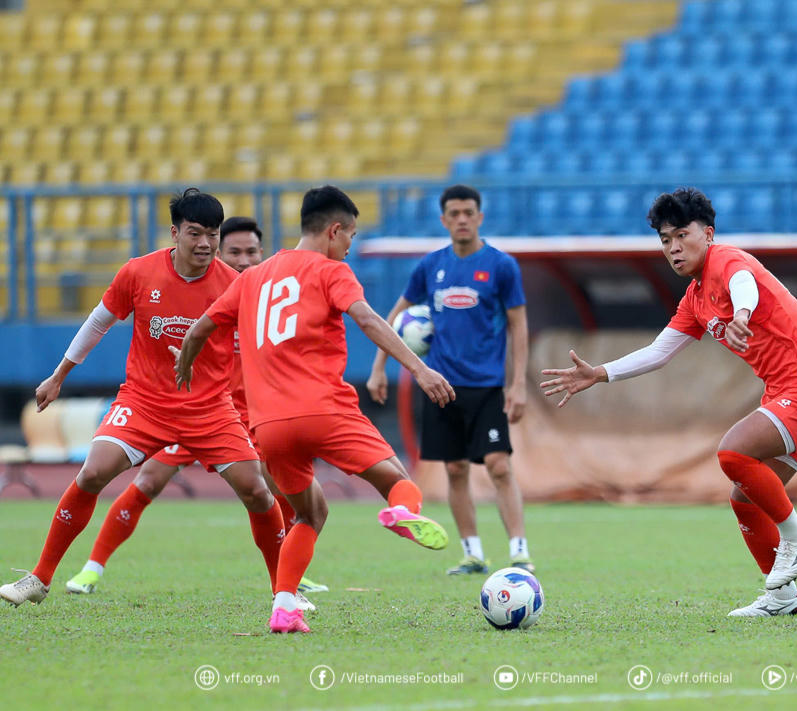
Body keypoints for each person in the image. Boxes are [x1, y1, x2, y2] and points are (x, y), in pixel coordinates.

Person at [540, 187, 797, 617]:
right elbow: (659, 351)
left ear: (708, 233)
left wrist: (742, 314)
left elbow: (744, 283)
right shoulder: (696, 298)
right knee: (744, 498)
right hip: (790, 393)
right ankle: (782, 598)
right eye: (665, 240)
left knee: (732, 452)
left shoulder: (726, 261)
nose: (673, 247)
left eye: (681, 235)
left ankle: (796, 535)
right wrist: (600, 373)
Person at [174, 185, 455, 634]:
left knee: (309, 514)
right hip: (324, 410)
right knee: (398, 481)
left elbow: (201, 326)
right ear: (335, 230)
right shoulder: (330, 271)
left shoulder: (252, 277)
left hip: (267, 426)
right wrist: (419, 369)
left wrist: (185, 363)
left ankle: (284, 608)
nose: (350, 247)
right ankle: (403, 513)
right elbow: (366, 318)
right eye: (351, 237)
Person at [1, 190, 285, 609]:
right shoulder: (138, 272)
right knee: (93, 473)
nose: (205, 244)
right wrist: (59, 375)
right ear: (175, 232)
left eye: (212, 234)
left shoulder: (236, 285)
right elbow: (98, 322)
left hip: (209, 409)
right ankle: (40, 577)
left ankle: (285, 592)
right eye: (195, 233)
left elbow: (262, 342)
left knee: (258, 492)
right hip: (145, 403)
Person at [63, 217, 327, 602]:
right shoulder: (210, 290)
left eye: (252, 252)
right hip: (190, 409)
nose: (244, 259)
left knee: (273, 490)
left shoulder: (259, 302)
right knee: (148, 482)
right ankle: (92, 567)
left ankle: (289, 579)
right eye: (234, 251)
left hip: (243, 418)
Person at [367, 184, 533, 576]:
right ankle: (473, 552)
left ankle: (520, 549)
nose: (461, 219)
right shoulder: (430, 267)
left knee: (499, 465)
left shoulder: (501, 266)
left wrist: (518, 383)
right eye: (454, 213)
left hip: (487, 386)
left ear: (480, 217)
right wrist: (378, 367)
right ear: (443, 220)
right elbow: (392, 315)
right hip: (440, 387)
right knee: (455, 469)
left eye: (468, 212)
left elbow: (518, 324)